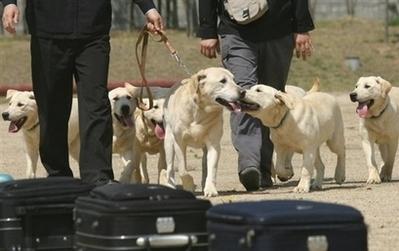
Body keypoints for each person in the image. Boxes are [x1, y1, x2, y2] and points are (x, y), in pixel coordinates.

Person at [1, 0, 164, 186]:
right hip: (47, 27)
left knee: (96, 104)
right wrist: (9, 3)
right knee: (51, 106)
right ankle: (58, 177)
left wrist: (147, 7)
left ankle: (98, 177)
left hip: (93, 30)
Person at [198, 0, 315, 191]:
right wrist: (207, 30)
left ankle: (263, 171)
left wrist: (301, 27)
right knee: (242, 93)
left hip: (279, 29)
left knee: (269, 102)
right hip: (236, 31)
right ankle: (249, 164)